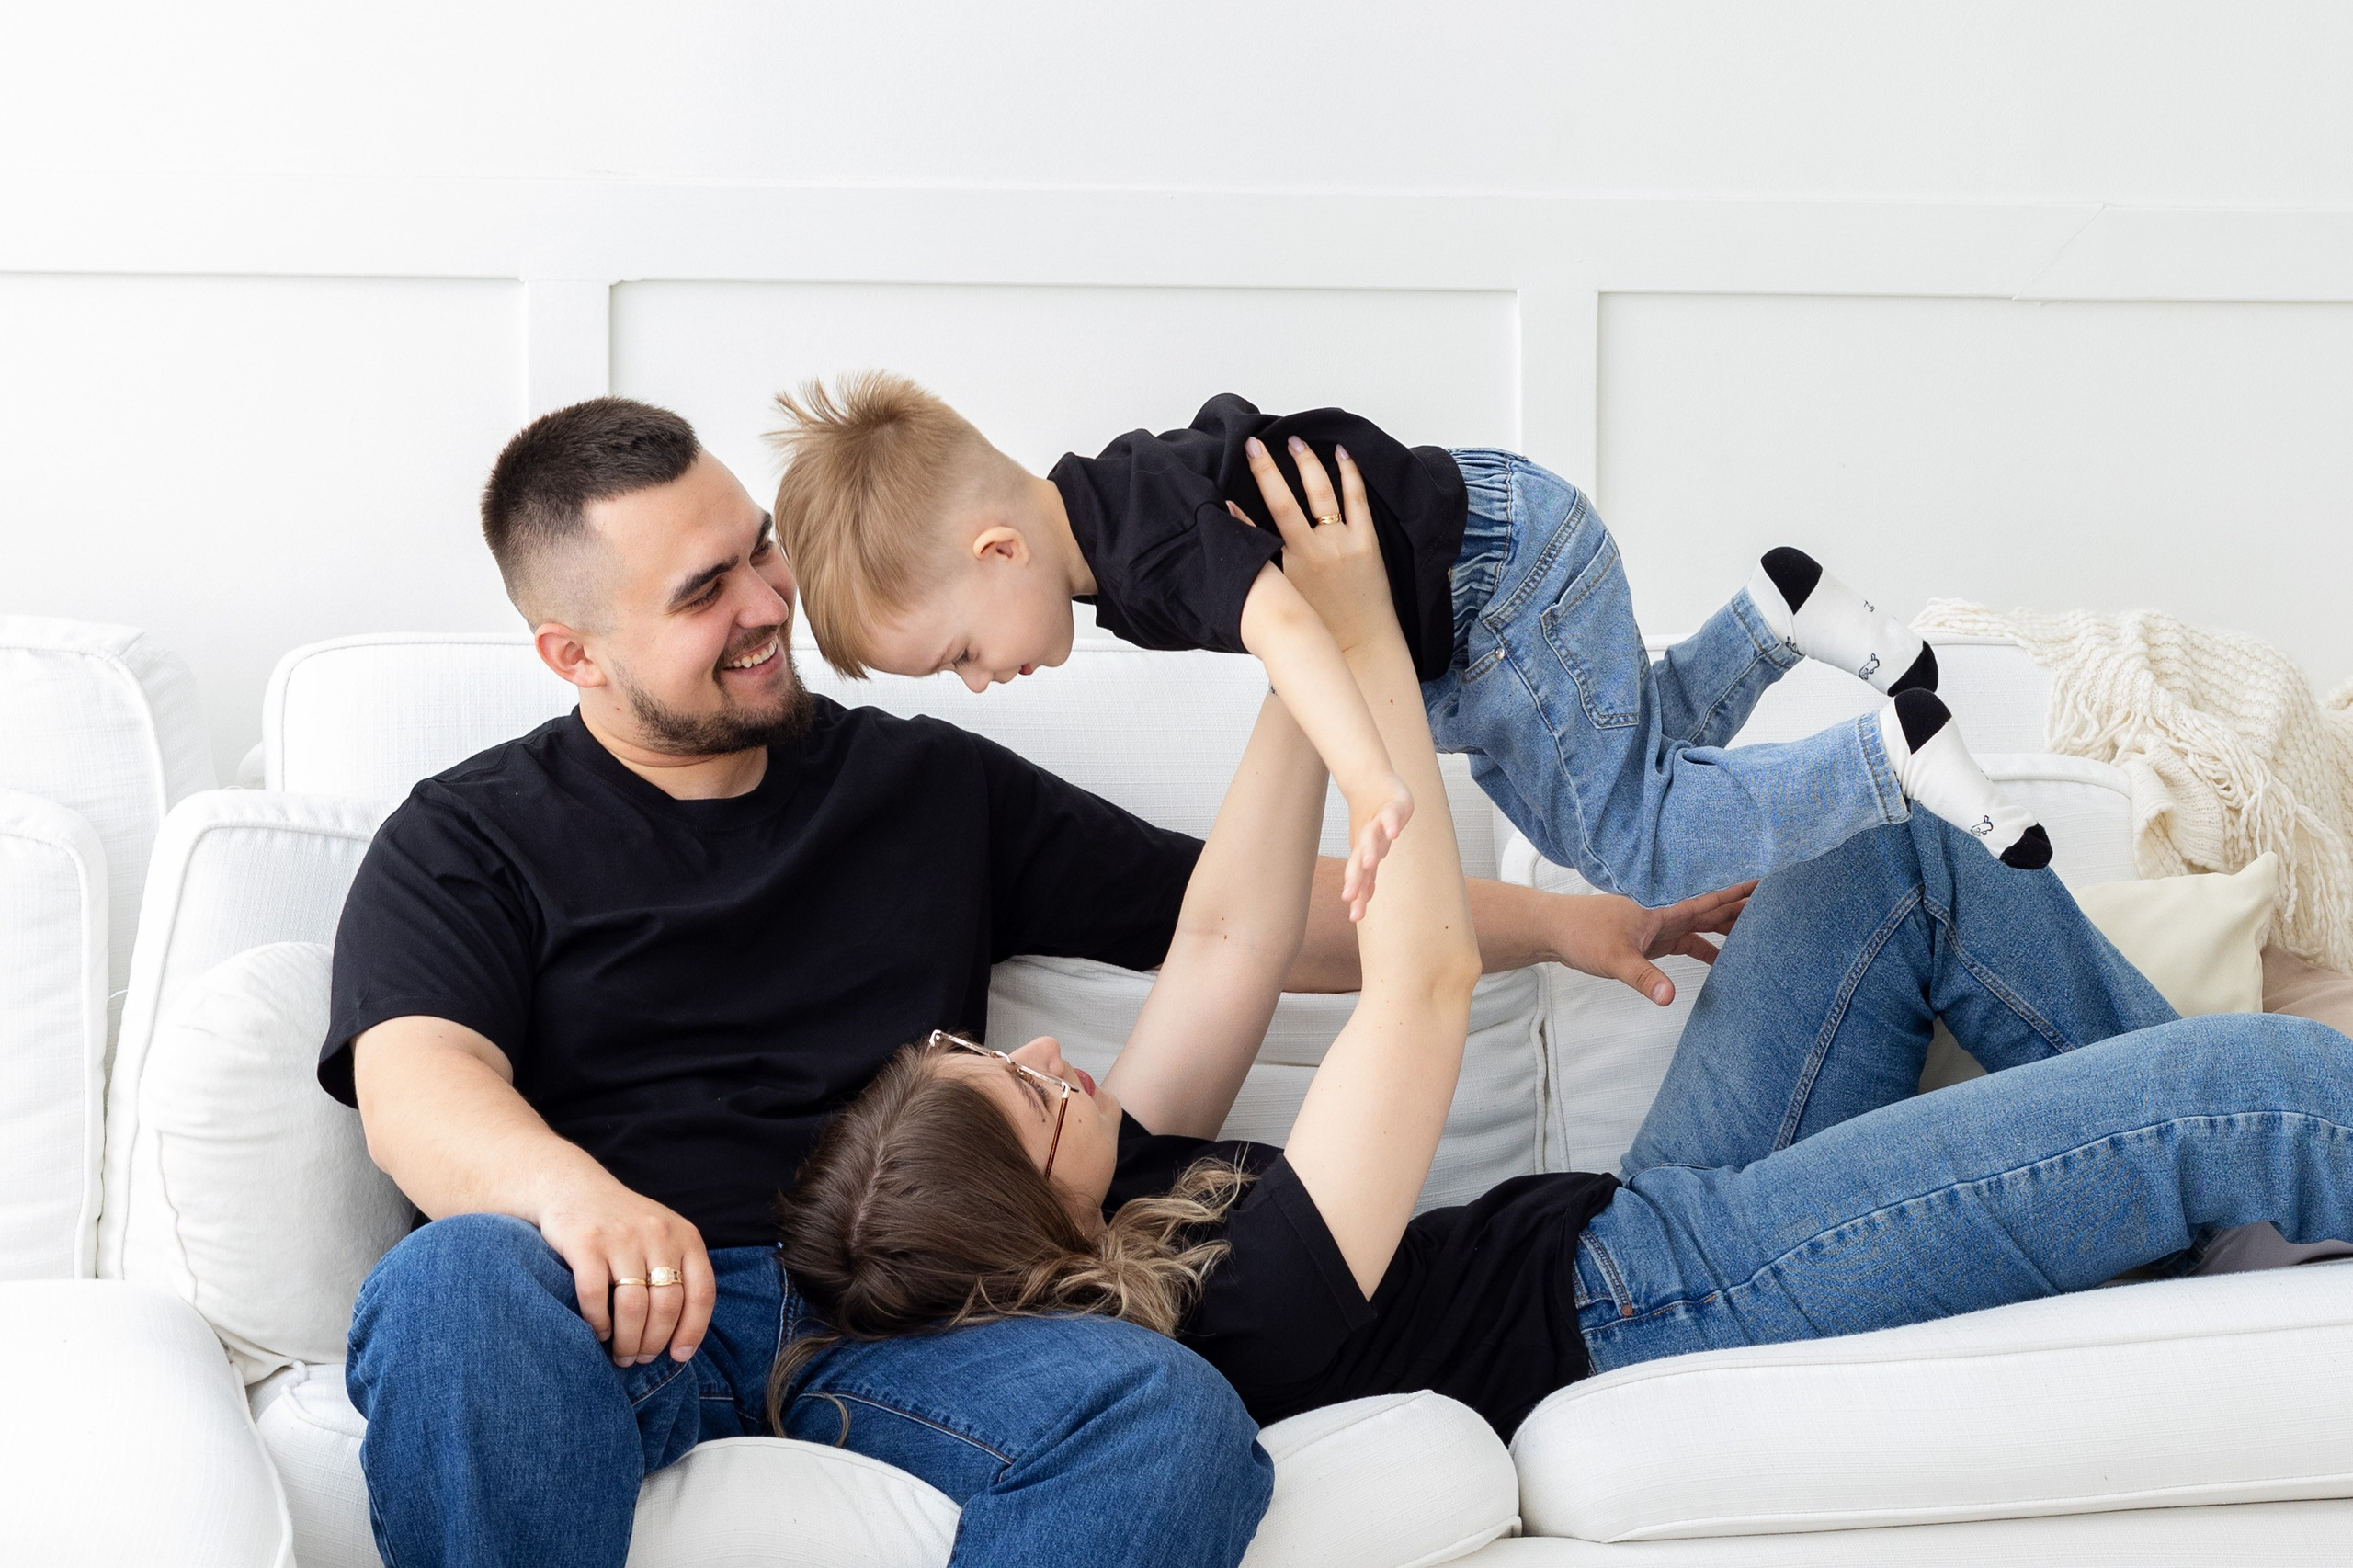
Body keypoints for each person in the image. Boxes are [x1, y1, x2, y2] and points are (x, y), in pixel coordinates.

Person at [324, 396, 1745, 1568]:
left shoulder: (917, 785)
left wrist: (1566, 927)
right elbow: (414, 1083)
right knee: (452, 1278)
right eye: (706, 594)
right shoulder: (467, 838)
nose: (772, 603)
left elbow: (1234, 913)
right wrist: (579, 1201)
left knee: (1171, 1421)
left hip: (912, 1317)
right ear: (574, 652)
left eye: (758, 552)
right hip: (625, 1305)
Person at [771, 441, 2353, 1444]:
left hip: (1649, 1217)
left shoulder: (1127, 1172)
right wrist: (1373, 644)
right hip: (1683, 1301)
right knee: (2253, 1086)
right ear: (1027, 1227)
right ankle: (2226, 1184)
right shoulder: (1222, 1310)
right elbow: (1428, 978)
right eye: (1027, 1092)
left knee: (1891, 857)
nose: (1051, 1053)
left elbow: (1234, 925)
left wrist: (1302, 615)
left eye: (1004, 1050)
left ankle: (2219, 1238)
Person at [766, 374, 2050, 920]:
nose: (983, 683)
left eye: (959, 658)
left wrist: (1375, 775)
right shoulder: (1107, 515)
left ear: (997, 555)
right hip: (1500, 582)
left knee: (1636, 843)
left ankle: (1896, 756)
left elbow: (1281, 618)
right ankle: (1778, 615)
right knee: (1622, 762)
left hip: (1501, 590)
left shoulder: (1143, 536)